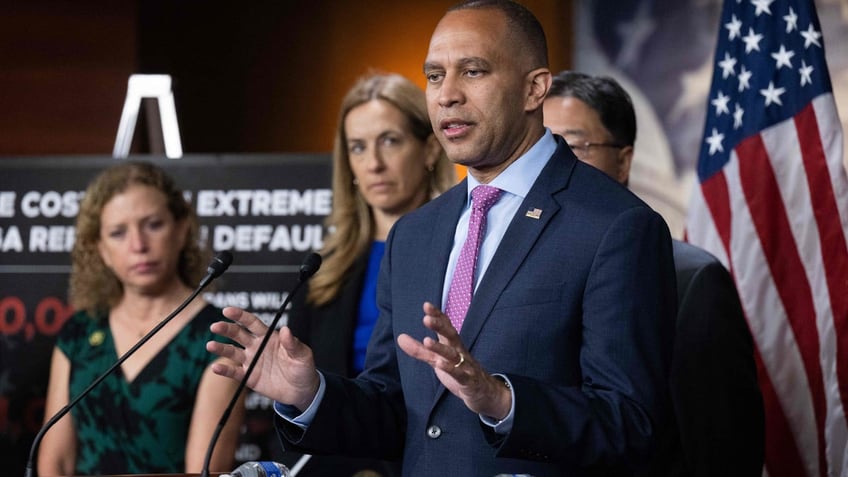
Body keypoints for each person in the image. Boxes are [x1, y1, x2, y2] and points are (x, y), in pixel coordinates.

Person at [207, 1, 677, 475]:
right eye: (434, 76)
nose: (446, 95)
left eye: (473, 71)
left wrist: (500, 399)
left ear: (534, 88)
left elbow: (632, 426)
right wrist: (311, 394)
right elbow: (398, 410)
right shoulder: (413, 234)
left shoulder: (614, 225)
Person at [543, 70, 764, 476]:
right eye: (541, 150)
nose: (554, 167)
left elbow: (724, 448)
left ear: (624, 160)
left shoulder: (692, 280)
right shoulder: (517, 271)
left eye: (573, 147)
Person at [283, 73, 455, 475]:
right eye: (358, 148)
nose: (373, 163)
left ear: (430, 149)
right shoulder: (321, 270)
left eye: (390, 141)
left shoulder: (464, 254)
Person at [38, 161, 244, 475]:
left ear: (181, 228)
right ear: (101, 250)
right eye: (118, 233)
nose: (138, 245)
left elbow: (205, 471)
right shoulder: (79, 333)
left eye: (153, 224)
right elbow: (55, 463)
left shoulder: (219, 337)